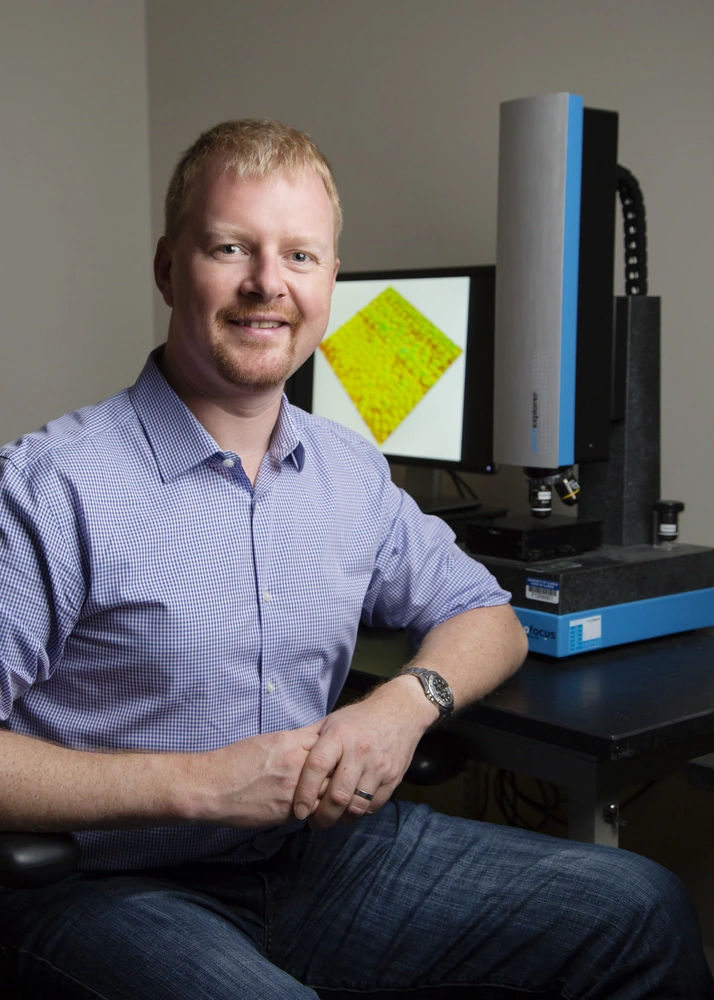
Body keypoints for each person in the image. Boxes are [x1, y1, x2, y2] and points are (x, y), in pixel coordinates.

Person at [0, 119, 711, 1000]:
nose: (269, 283)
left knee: (639, 908)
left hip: (322, 859)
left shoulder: (346, 468)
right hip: (108, 888)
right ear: (166, 266)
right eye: (231, 247)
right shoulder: (52, 485)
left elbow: (486, 615)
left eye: (301, 256)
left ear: (333, 279)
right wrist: (199, 787)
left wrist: (406, 707)